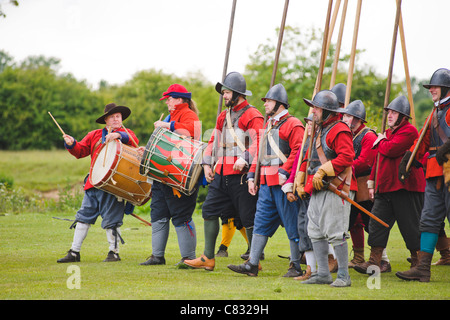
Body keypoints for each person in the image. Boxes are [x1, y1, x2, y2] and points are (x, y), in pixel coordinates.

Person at [183, 72, 264, 271]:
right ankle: (208, 258)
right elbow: (213, 142)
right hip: (221, 175)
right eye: (224, 93)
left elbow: (260, 143)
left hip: (243, 176)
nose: (224, 96)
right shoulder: (223, 116)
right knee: (209, 210)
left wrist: (245, 159)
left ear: (237, 93)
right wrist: (207, 164)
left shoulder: (253, 115)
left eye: (227, 92)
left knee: (248, 218)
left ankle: (254, 261)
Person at [227, 84, 305, 277]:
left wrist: (286, 173)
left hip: (283, 184)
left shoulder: (293, 124)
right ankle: (252, 264)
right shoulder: (268, 125)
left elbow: (299, 151)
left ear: (279, 103)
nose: (265, 105)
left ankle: (295, 266)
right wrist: (252, 176)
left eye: (269, 101)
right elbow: (260, 153)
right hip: (265, 184)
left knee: (292, 224)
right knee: (260, 222)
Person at [57, 103, 139, 263]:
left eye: (118, 116)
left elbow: (133, 141)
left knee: (111, 220)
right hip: (93, 184)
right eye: (112, 117)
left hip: (113, 185)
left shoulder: (127, 134)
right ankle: (74, 252)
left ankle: (113, 253)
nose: (116, 119)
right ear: (106, 120)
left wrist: (118, 136)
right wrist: (71, 143)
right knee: (83, 217)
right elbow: (80, 151)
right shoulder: (94, 135)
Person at [354, 96, 425, 275]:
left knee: (410, 227)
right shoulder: (387, 133)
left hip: (404, 188)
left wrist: (380, 140)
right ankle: (374, 261)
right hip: (384, 188)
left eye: (394, 113)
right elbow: (378, 160)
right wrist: (372, 183)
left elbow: (390, 149)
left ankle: (418, 263)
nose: (390, 115)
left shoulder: (410, 131)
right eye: (390, 112)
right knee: (376, 225)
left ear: (403, 117)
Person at [296, 90, 357, 287]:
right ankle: (322, 273)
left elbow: (347, 157)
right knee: (314, 230)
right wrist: (300, 177)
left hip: (336, 185)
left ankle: (343, 276)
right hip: (319, 186)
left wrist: (323, 170)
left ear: (328, 111)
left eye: (317, 108)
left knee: (335, 231)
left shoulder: (339, 129)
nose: (313, 111)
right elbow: (310, 156)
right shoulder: (319, 129)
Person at [396, 68, 450, 282]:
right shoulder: (435, 113)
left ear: (445, 88)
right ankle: (423, 268)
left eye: (434, 87)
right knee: (428, 220)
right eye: (430, 88)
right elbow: (423, 143)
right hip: (435, 173)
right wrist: (409, 160)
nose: (431, 91)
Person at [139, 84, 201, 267]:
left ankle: (188, 258)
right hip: (163, 175)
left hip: (179, 177)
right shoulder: (170, 115)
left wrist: (169, 125)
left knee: (181, 216)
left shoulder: (188, 114)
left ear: (179, 99)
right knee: (158, 215)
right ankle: (157, 256)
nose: (167, 101)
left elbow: (193, 131)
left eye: (169, 98)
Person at [340, 100, 378, 268]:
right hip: (352, 184)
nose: (344, 118)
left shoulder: (368, 135)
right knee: (347, 222)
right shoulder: (348, 134)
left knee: (371, 225)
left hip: (364, 185)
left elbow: (365, 162)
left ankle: (381, 259)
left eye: (348, 116)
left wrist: (343, 166)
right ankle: (358, 258)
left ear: (357, 119)